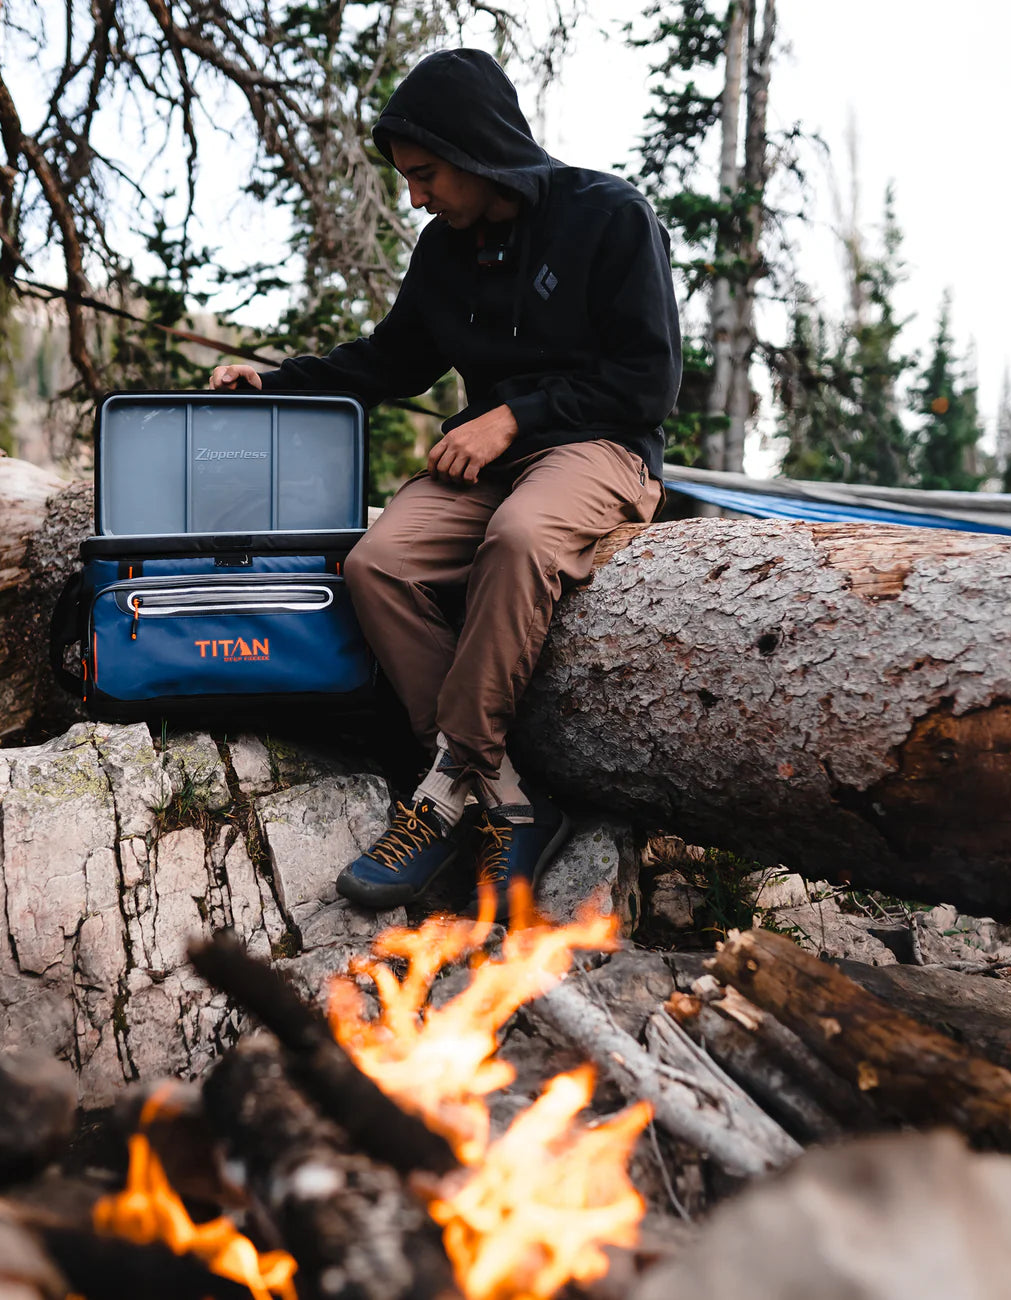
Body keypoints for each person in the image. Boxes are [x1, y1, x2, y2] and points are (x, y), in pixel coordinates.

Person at [210, 48, 681, 919]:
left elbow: (648, 381)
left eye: (425, 175)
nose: (417, 196)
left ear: (475, 150)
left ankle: (441, 793)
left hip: (603, 450)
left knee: (518, 539)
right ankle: (505, 799)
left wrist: (515, 416)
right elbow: (392, 361)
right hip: (493, 463)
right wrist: (274, 382)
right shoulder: (444, 251)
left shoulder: (610, 216)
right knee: (376, 562)